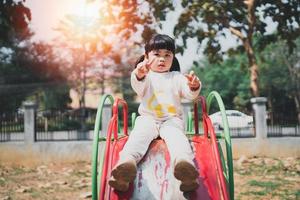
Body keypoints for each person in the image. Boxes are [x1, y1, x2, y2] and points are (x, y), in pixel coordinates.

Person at [109, 34, 201, 193]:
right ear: (147, 57)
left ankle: (184, 166)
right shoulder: (146, 77)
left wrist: (193, 86)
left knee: (178, 139)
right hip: (148, 119)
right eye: (156, 54)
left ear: (173, 57)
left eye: (167, 55)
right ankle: (126, 165)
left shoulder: (177, 77)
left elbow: (189, 94)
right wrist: (139, 73)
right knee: (138, 138)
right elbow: (137, 85)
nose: (162, 59)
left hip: (171, 120)